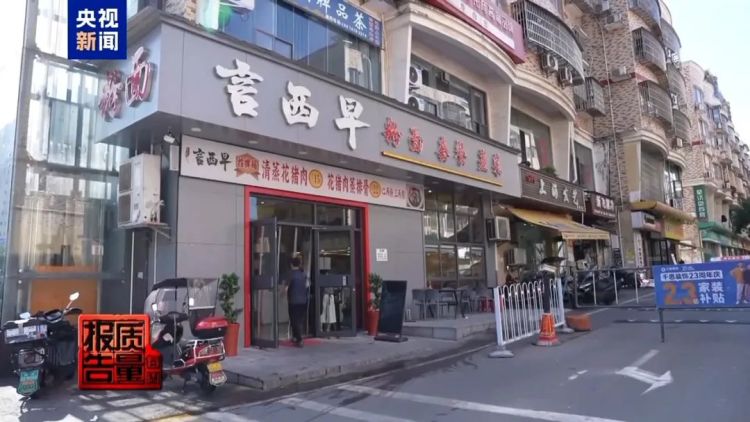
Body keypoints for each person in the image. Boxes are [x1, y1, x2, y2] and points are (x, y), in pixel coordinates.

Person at [284, 256, 308, 347]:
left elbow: (286, 288)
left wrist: (282, 294)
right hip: (303, 300)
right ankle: (295, 336)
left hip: (293, 301)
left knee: (294, 320)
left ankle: (299, 339)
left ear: (291, 264)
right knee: (299, 320)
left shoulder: (290, 274)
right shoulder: (303, 274)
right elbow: (306, 286)